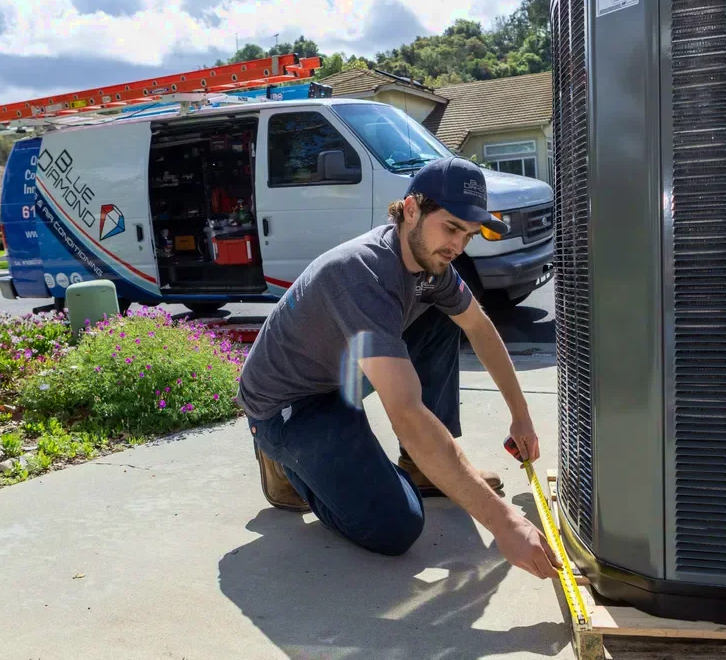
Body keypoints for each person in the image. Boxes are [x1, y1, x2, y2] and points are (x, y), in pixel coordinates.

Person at [236, 156, 561, 580]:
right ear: (411, 210)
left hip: (337, 374)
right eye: (451, 228)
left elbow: (479, 327)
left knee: (444, 319)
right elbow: (406, 414)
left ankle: (421, 465)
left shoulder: (432, 264)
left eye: (467, 234)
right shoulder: (361, 275)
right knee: (395, 527)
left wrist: (521, 416)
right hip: (290, 403)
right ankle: (287, 463)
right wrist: (505, 522)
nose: (458, 246)